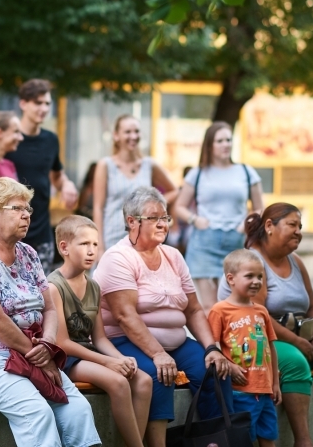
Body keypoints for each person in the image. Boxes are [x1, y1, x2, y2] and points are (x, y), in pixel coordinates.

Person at [0, 177, 100, 446]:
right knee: (36, 414)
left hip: (34, 353)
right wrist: (40, 356)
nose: (26, 216)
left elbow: (50, 308)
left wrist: (48, 344)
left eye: (28, 210)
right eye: (18, 208)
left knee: (79, 410)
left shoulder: (28, 254)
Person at [94, 186, 233, 447]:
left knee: (214, 369)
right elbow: (125, 315)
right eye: (154, 218)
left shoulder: (173, 255)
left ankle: (216, 441)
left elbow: (193, 309)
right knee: (158, 373)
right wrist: (158, 353)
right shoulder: (118, 258)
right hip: (126, 341)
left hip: (177, 343)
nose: (163, 224)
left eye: (165, 217)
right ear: (132, 221)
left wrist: (211, 348)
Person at [217, 203, 313, 447]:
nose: (298, 231)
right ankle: (303, 441)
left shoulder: (296, 262)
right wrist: (298, 342)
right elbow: (258, 318)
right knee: (294, 362)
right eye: (292, 225)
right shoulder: (253, 264)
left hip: (301, 337)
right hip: (259, 340)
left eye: (300, 226)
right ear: (269, 226)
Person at [48, 215, 152, 447]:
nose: (91, 250)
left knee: (143, 381)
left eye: (95, 244)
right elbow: (63, 343)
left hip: (87, 352)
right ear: (64, 247)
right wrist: (107, 363)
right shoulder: (54, 286)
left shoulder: (94, 286)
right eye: (84, 244)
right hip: (65, 359)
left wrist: (120, 358)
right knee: (118, 382)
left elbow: (100, 338)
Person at [173, 122, 264, 314]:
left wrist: (245, 224)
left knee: (234, 304)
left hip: (236, 243)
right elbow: (179, 206)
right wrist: (195, 220)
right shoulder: (198, 174)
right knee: (209, 306)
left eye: (229, 140)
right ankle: (214, 344)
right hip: (204, 244)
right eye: (220, 140)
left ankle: (233, 343)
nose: (226, 144)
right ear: (210, 145)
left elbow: (259, 208)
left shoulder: (246, 172)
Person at [5, 79, 79, 272]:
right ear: (23, 104)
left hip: (42, 234)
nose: (44, 108)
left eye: (47, 103)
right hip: (9, 232)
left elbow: (57, 176)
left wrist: (67, 185)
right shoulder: (8, 139)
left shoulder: (51, 140)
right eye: (38, 103)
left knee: (41, 297)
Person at [209, 249, 281, 447]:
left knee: (268, 436)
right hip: (240, 391)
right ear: (230, 279)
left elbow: (270, 347)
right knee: (242, 439)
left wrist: (274, 382)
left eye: (260, 276)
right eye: (249, 276)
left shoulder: (262, 311)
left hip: (265, 391)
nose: (257, 281)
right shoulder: (219, 310)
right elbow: (212, 347)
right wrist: (230, 367)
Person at [92, 115, 177, 251]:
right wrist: (99, 247)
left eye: (136, 131)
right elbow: (98, 208)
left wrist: (152, 208)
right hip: (112, 239)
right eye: (128, 132)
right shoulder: (106, 165)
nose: (133, 136)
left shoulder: (149, 165)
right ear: (116, 135)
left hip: (142, 240)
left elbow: (175, 191)